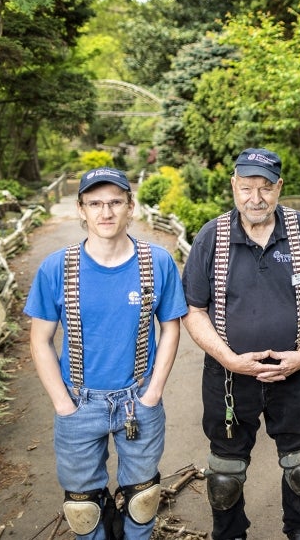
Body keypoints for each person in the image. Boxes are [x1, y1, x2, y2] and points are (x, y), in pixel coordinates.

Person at [182, 148, 300, 540]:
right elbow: (193, 310)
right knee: (225, 473)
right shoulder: (211, 237)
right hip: (229, 378)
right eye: (247, 187)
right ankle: (230, 534)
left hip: (294, 372)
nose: (256, 197)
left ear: (279, 188)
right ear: (234, 187)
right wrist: (229, 359)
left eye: (265, 187)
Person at [25, 167, 188, 540]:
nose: (106, 212)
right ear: (81, 210)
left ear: (131, 207)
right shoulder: (57, 268)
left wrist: (154, 392)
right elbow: (40, 340)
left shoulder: (156, 262)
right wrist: (62, 404)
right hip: (78, 403)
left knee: (143, 497)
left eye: (115, 202)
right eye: (95, 203)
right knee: (83, 509)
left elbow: (171, 327)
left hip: (138, 401)